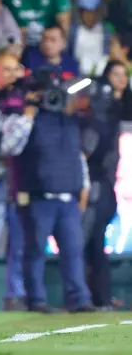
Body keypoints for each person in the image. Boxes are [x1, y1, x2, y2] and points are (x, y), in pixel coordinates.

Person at [14, 67, 94, 313]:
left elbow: (77, 156)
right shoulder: (28, 118)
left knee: (73, 252)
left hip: (68, 197)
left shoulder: (71, 121)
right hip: (40, 197)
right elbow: (11, 148)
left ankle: (80, 299)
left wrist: (83, 186)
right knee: (36, 251)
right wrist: (28, 112)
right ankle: (36, 299)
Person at [83, 61, 132, 310]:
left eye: (125, 75)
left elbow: (90, 152)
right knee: (91, 242)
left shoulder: (111, 116)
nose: (120, 79)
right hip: (101, 185)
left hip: (103, 186)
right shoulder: (99, 115)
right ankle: (95, 297)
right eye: (115, 74)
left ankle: (97, 297)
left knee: (91, 241)